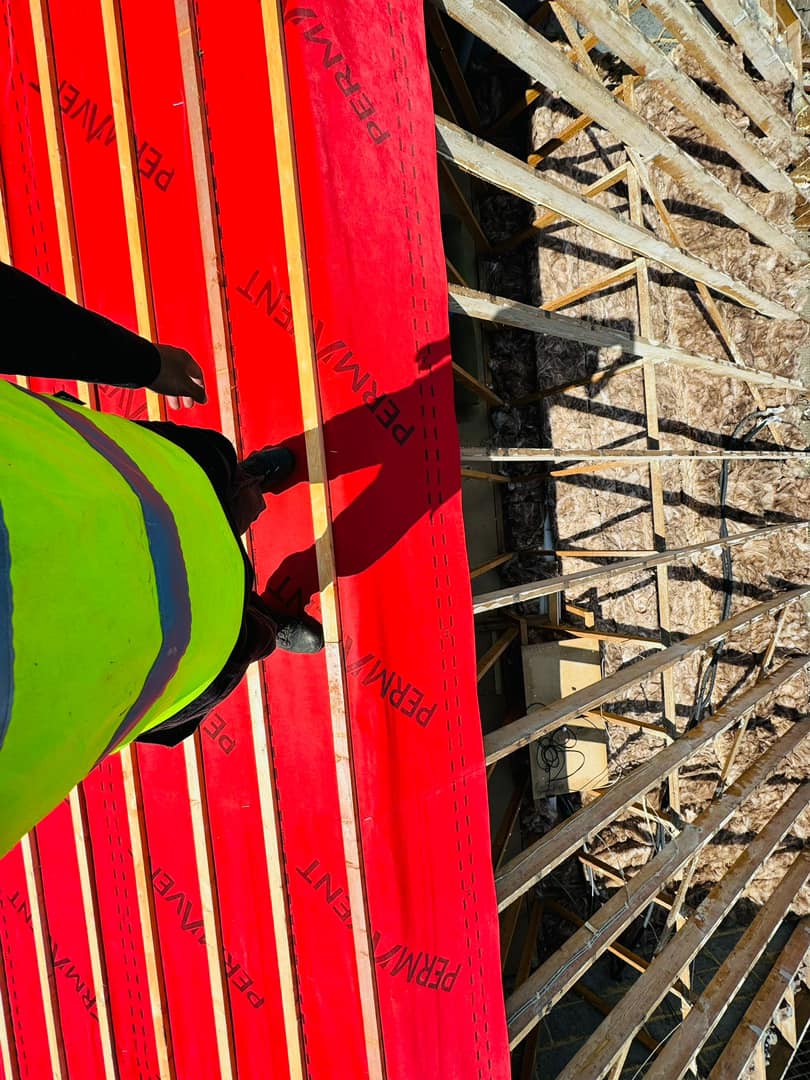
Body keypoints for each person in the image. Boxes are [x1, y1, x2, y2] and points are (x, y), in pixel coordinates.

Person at [0, 262, 322, 855]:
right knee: (227, 647)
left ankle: (247, 495)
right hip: (131, 663)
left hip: (110, 495)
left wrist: (140, 362)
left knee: (213, 475)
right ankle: (262, 621)